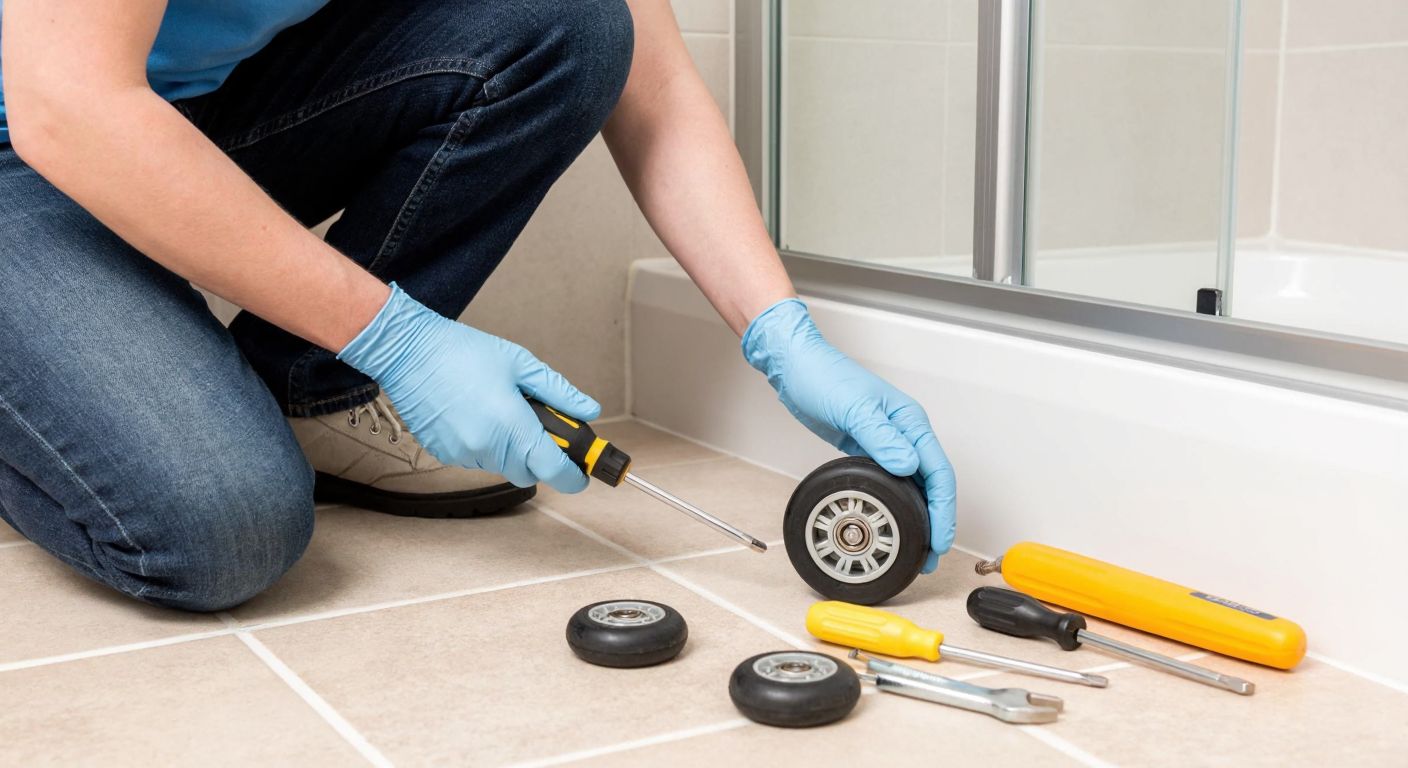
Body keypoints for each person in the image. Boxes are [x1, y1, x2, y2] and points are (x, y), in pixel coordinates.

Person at [0, 0, 956, 611]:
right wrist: (399, 338)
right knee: (224, 529)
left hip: (192, 116)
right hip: (32, 135)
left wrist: (780, 334)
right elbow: (67, 104)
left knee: (575, 20)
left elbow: (652, 81)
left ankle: (310, 390)